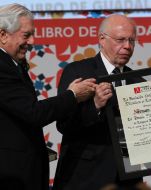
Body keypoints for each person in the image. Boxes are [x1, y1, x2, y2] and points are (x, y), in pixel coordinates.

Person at [0, 3, 96, 190]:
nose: (32, 41)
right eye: (26, 35)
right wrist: (73, 95)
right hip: (12, 175)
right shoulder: (2, 66)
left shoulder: (13, 63)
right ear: (3, 35)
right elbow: (33, 113)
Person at [53, 14, 145, 190]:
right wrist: (94, 105)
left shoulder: (138, 81)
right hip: (85, 178)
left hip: (128, 181)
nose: (127, 46)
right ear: (102, 39)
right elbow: (63, 125)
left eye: (131, 41)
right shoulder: (78, 71)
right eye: (120, 40)